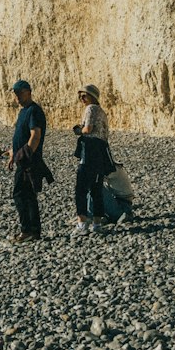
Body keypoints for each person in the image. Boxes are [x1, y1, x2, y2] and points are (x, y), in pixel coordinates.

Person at [8, 79, 51, 243]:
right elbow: (19, 136)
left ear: (28, 92)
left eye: (19, 93)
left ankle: (28, 230)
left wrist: (26, 154)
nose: (17, 97)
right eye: (15, 94)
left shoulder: (34, 111)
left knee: (21, 194)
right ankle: (32, 231)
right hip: (22, 159)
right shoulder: (23, 111)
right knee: (27, 195)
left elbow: (35, 134)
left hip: (28, 161)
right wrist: (13, 154)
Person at [72, 84, 112, 237]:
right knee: (96, 189)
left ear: (93, 96)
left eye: (84, 96)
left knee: (81, 188)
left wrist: (78, 130)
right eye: (80, 96)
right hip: (101, 153)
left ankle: (82, 224)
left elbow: (88, 130)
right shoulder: (102, 111)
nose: (82, 99)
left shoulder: (90, 109)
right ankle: (97, 224)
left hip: (90, 151)